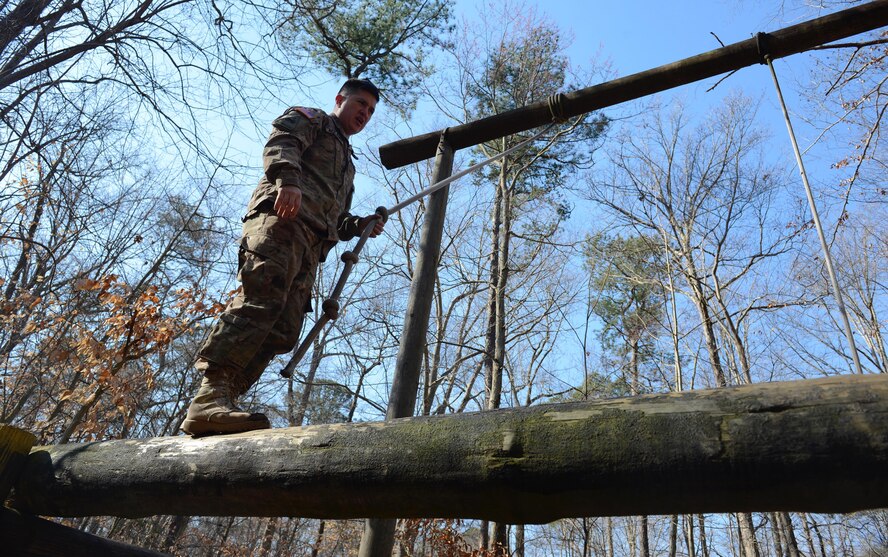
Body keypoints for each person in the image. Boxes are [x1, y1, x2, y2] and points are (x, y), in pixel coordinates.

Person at [181, 78, 385, 437]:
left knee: (285, 329)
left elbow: (334, 216)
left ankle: (223, 402)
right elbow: (282, 140)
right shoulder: (315, 120)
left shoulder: (347, 166)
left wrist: (359, 225)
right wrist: (287, 180)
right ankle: (209, 395)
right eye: (360, 105)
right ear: (340, 99)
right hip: (282, 223)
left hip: (309, 247)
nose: (364, 114)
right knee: (261, 302)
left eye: (370, 111)